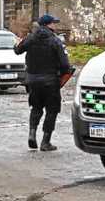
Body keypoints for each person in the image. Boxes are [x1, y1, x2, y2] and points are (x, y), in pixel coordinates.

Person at [15, 14, 72, 152]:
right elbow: (65, 65)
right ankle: (45, 142)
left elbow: (17, 50)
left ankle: (32, 134)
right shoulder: (55, 41)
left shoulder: (31, 38)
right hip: (50, 82)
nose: (55, 25)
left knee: (36, 108)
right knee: (52, 111)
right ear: (48, 25)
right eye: (53, 23)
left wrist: (19, 41)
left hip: (33, 81)